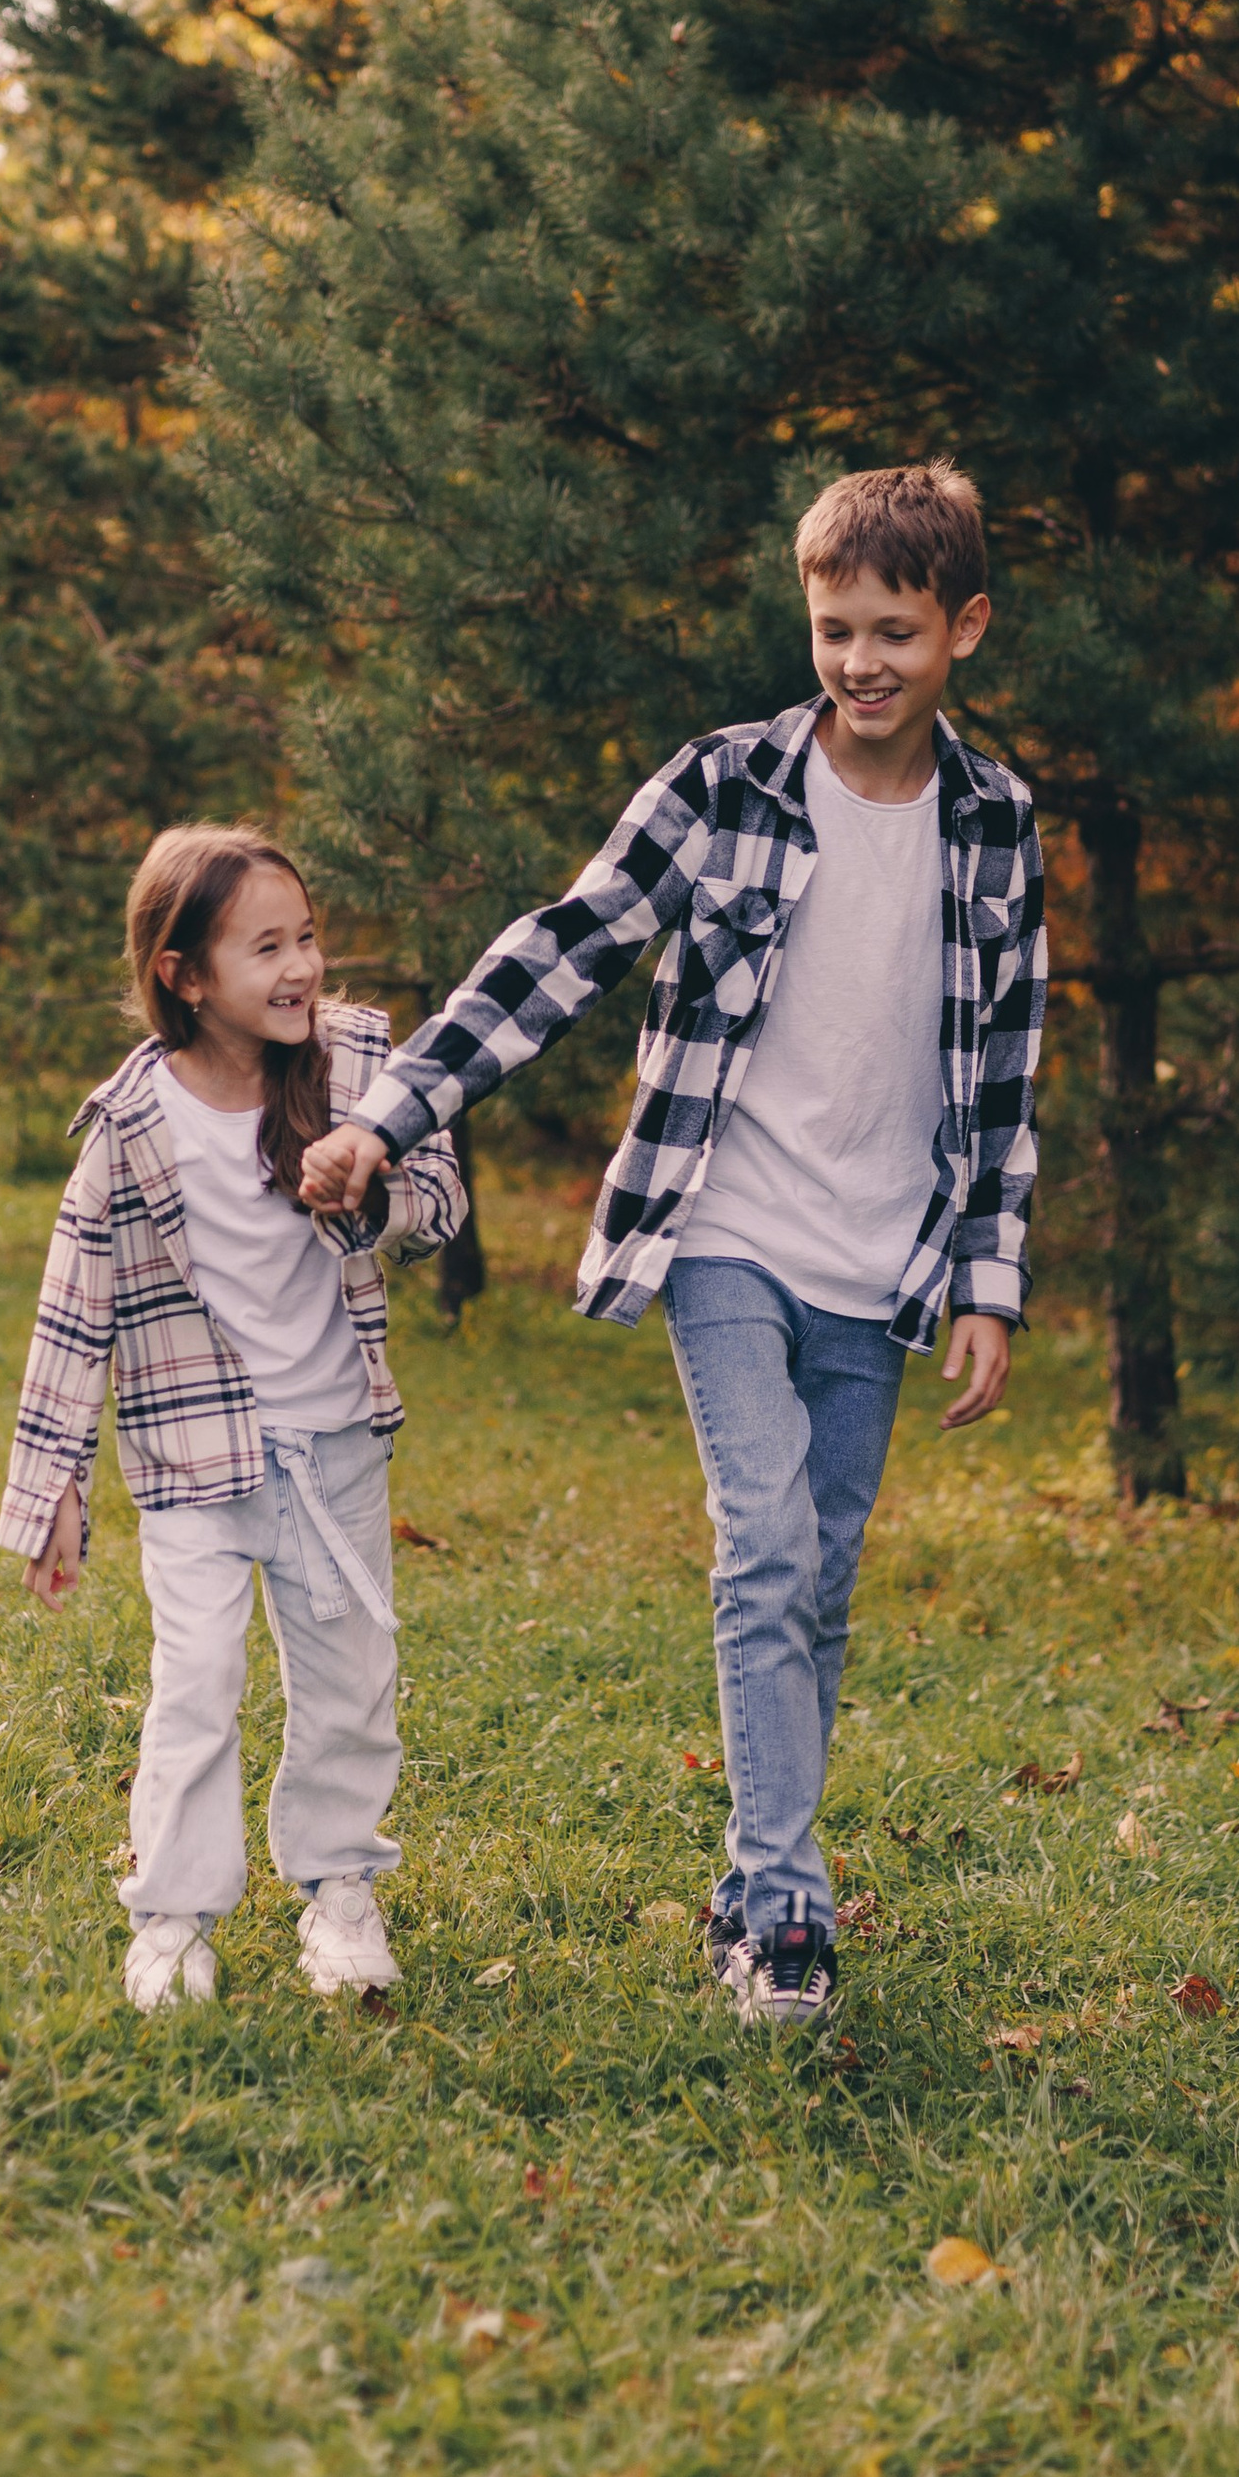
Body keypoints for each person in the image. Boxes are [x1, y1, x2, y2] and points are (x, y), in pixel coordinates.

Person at [306, 460, 1044, 2028]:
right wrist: (397, 1105)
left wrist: (989, 1277)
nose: (860, 663)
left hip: (889, 1254)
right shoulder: (724, 785)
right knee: (766, 1541)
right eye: (835, 626)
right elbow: (561, 951)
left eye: (896, 632)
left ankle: (748, 1882)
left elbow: (1008, 1068)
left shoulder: (1000, 827)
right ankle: (786, 1911)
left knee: (820, 1580)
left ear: (963, 629)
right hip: (725, 1227)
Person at [0, 824, 466, 2014]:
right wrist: (51, 1483)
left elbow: (446, 1201)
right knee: (195, 1681)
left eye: (306, 937)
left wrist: (374, 1186)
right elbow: (73, 1305)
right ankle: (171, 1917)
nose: (301, 967)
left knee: (350, 1678)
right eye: (267, 948)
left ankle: (340, 1889)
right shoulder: (132, 1125)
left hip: (335, 1446)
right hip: (192, 1460)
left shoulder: (361, 1061)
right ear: (184, 976)